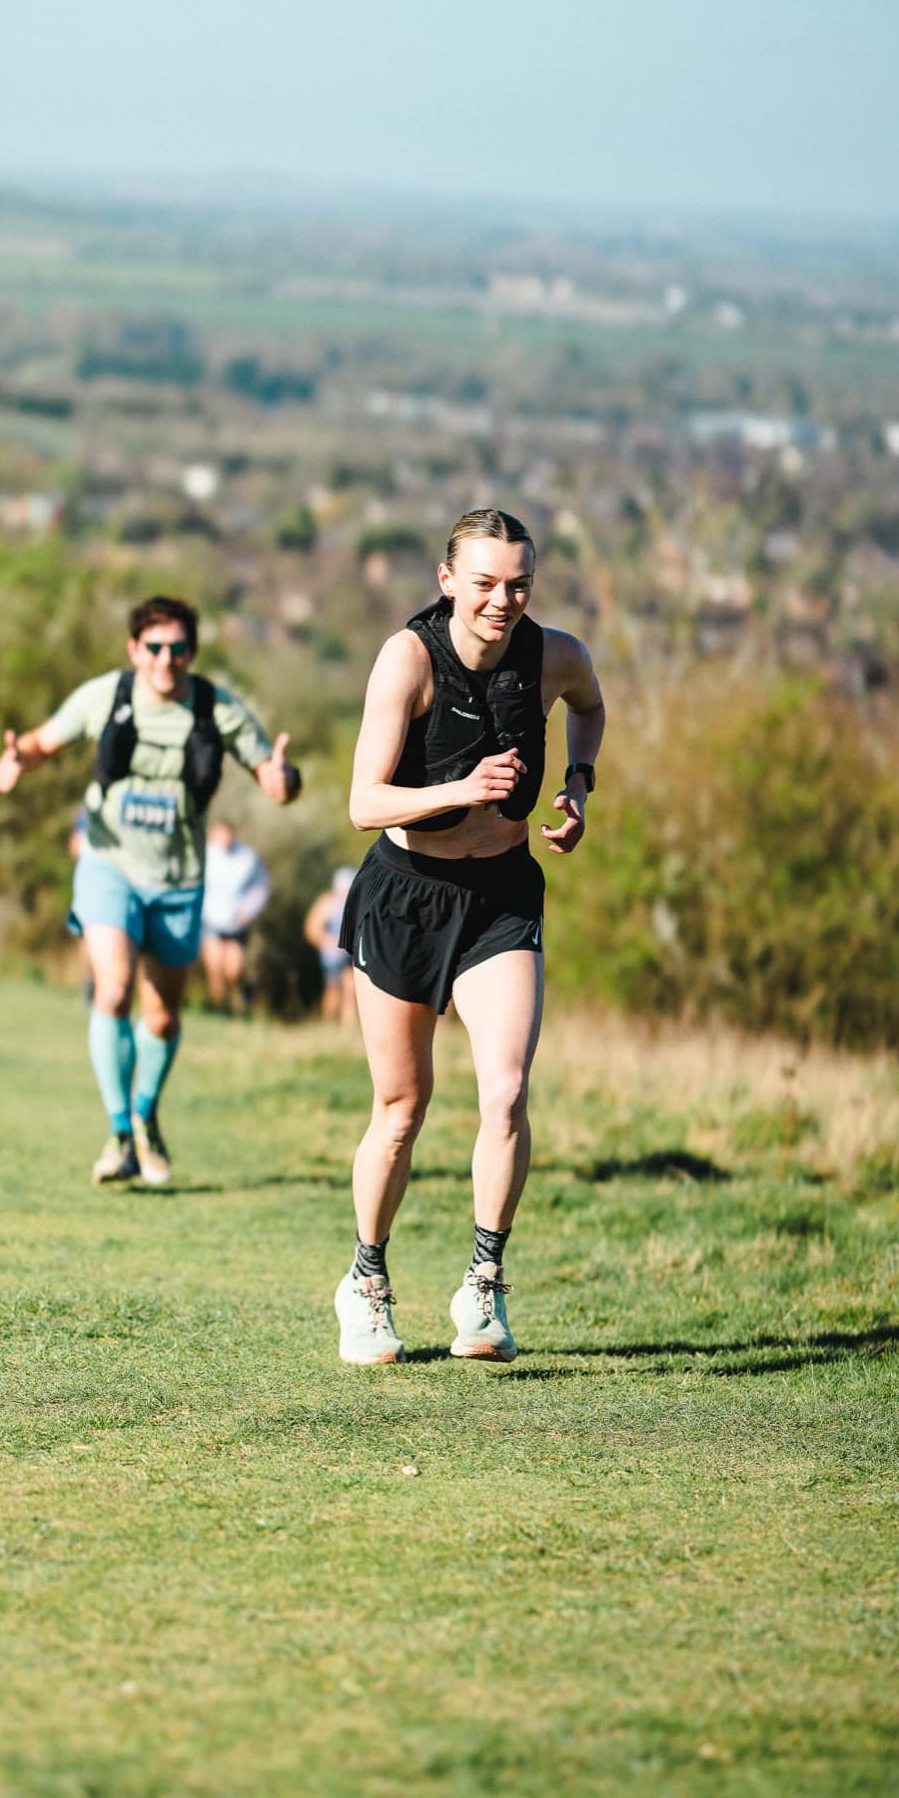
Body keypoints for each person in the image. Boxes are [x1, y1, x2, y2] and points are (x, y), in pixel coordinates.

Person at [334, 508, 605, 1366]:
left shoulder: (553, 654)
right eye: (484, 583)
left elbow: (589, 704)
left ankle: (483, 1285)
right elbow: (363, 802)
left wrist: (578, 785)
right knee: (401, 1109)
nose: (502, 601)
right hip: (405, 895)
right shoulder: (408, 659)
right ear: (447, 580)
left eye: (518, 585)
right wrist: (458, 789)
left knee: (506, 1092)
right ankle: (365, 1283)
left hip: (500, 895)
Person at [0, 594, 301, 1187]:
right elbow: (41, 742)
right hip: (108, 864)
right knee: (112, 989)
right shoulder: (104, 697)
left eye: (178, 649)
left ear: (193, 652)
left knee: (160, 1018)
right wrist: (17, 758)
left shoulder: (215, 709)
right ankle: (118, 1136)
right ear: (134, 649)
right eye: (154, 647)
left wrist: (283, 780)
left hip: (178, 881)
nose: (166, 659)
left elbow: (275, 776)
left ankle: (144, 1114)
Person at [201, 819, 271, 1013]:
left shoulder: (248, 857)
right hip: (211, 920)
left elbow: (261, 886)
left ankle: (236, 997)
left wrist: (249, 910)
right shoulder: (205, 854)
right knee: (214, 966)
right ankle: (220, 1006)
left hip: (236, 922)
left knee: (234, 969)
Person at [304, 865, 357, 1026]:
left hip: (350, 953)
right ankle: (329, 1023)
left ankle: (348, 1028)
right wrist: (328, 942)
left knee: (351, 989)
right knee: (333, 989)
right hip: (332, 955)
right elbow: (312, 928)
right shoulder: (327, 902)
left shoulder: (355, 903)